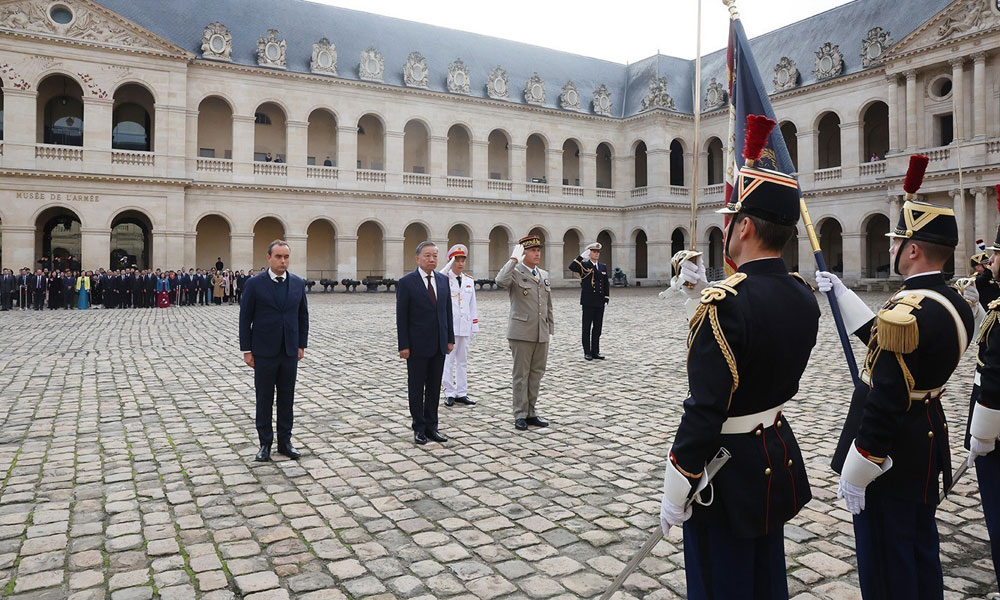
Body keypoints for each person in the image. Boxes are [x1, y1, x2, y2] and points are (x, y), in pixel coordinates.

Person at [660, 115, 820, 599]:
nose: (725, 229)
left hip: (724, 471)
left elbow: (705, 409)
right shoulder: (802, 294)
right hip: (772, 453)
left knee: (720, 582)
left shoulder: (724, 305)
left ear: (746, 226)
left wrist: (677, 482)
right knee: (766, 579)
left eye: (731, 220)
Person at [819, 156, 973, 600]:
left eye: (895, 242)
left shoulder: (907, 309)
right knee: (919, 546)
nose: (890, 250)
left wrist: (861, 464)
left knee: (887, 558)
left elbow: (886, 391)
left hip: (892, 451)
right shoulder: (952, 302)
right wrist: (845, 297)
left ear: (913, 250)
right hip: (925, 438)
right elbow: (898, 351)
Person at [240, 240, 309, 462]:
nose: (283, 261)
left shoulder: (298, 283)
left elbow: (302, 316)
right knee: (264, 398)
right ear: (268, 257)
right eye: (278, 257)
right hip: (264, 351)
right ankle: (264, 443)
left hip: (289, 350)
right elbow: (245, 318)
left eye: (286, 257)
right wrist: (247, 350)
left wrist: (301, 345)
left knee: (287, 398)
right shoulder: (254, 284)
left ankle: (285, 442)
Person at [396, 241, 454, 444]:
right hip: (417, 345)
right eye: (427, 255)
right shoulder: (407, 282)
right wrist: (403, 345)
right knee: (416, 387)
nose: (431, 259)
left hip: (439, 344)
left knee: (433, 387)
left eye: (435, 256)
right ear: (417, 258)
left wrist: (450, 338)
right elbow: (401, 317)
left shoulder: (442, 280)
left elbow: (447, 312)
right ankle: (418, 427)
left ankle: (432, 426)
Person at [495, 234, 553, 431]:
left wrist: (549, 327)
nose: (537, 254)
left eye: (538, 250)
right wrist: (513, 260)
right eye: (532, 251)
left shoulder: (543, 274)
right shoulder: (515, 273)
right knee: (521, 375)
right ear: (523, 252)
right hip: (521, 332)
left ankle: (531, 412)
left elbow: (548, 304)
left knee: (537, 374)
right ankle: (520, 413)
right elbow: (500, 280)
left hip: (540, 332)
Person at [440, 244, 479, 407]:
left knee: (462, 361)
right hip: (450, 328)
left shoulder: (469, 281)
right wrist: (448, 267)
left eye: (463, 260)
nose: (461, 263)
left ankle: (462, 392)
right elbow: (437, 276)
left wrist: (474, 325)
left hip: (465, 326)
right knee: (448, 361)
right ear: (451, 261)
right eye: (457, 260)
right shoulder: (443, 279)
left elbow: (472, 306)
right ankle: (449, 392)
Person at [568, 242, 610, 360]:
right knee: (586, 328)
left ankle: (595, 351)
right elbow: (571, 267)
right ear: (589, 252)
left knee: (597, 328)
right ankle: (587, 352)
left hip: (600, 301)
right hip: (588, 301)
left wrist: (606, 297)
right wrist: (581, 257)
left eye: (597, 252)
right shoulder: (584, 265)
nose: (596, 254)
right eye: (593, 251)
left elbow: (606, 283)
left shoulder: (602, 266)